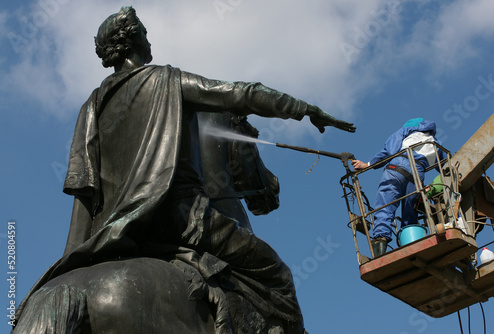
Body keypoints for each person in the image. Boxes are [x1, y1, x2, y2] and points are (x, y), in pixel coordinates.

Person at [16, 6, 355, 333]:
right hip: (181, 218)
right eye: (145, 33)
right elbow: (239, 94)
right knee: (277, 275)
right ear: (134, 40)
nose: (150, 40)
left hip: (114, 232)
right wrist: (303, 108)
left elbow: (85, 186)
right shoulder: (165, 80)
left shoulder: (92, 105)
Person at [352, 118, 445, 256]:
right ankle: (413, 245)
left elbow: (389, 150)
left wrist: (368, 164)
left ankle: (380, 243)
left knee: (385, 204)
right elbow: (448, 167)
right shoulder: (436, 143)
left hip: (397, 167)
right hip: (417, 177)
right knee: (410, 212)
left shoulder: (406, 131)